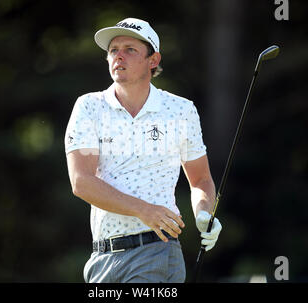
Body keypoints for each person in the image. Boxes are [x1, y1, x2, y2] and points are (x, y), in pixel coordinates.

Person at [65, 17, 222, 283]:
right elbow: (82, 182)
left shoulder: (180, 111)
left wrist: (204, 213)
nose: (119, 56)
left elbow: (201, 179)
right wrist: (143, 210)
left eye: (130, 49)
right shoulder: (89, 107)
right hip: (101, 259)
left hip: (156, 251)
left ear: (153, 60)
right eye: (113, 50)